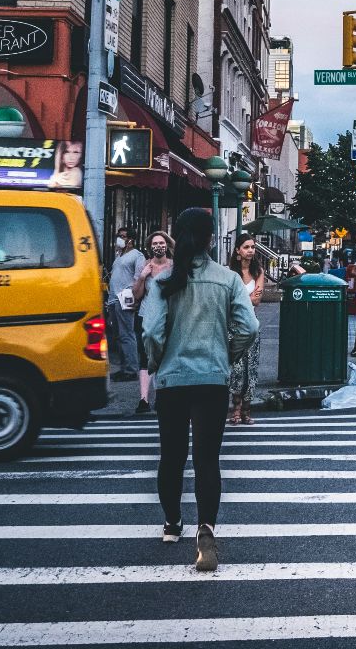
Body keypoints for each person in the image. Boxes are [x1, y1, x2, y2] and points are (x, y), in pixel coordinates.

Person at [141, 207, 258, 573]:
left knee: (171, 457)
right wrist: (227, 354)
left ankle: (172, 524)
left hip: (173, 380)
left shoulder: (164, 281)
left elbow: (150, 332)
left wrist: (158, 362)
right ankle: (205, 529)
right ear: (211, 239)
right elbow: (249, 328)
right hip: (212, 379)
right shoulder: (226, 279)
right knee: (207, 459)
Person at [226, 237, 270, 426]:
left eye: (253, 247)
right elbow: (228, 300)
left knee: (251, 368)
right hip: (232, 326)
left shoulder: (258, 271)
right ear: (238, 251)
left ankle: (246, 410)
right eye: (246, 247)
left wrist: (240, 298)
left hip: (252, 324)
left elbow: (257, 300)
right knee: (236, 369)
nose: (250, 250)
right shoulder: (229, 273)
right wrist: (248, 297)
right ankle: (234, 409)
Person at [132, 229, 174, 413]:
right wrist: (142, 276)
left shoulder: (174, 266)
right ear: (150, 247)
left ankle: (161, 396)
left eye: (162, 243)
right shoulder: (145, 266)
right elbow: (136, 295)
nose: (159, 246)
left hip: (167, 316)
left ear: (167, 245)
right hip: (145, 315)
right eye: (155, 244)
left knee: (164, 356)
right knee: (145, 357)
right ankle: (144, 399)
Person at [105, 227, 142, 384]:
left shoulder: (137, 255)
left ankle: (131, 370)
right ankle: (124, 368)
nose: (119, 239)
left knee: (127, 334)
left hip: (125, 298)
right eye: (119, 236)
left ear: (130, 240)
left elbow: (139, 278)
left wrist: (135, 298)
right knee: (118, 336)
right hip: (113, 300)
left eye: (123, 236)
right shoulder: (119, 256)